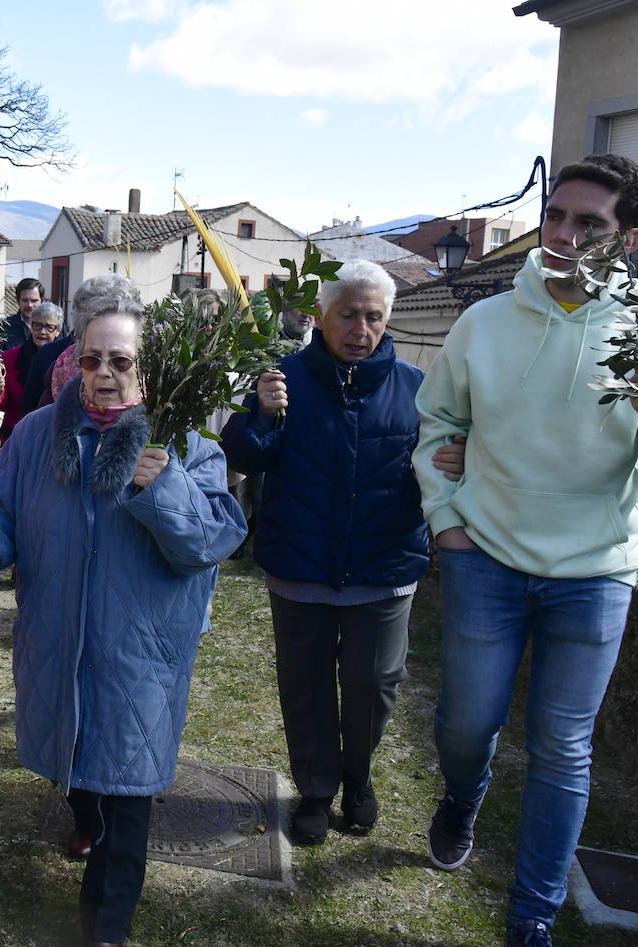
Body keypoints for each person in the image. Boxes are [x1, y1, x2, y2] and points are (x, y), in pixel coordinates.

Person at [413, 154, 638, 947]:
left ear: (631, 240)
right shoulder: (484, 321)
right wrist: (447, 520)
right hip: (484, 556)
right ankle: (462, 795)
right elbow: (438, 426)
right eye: (556, 216)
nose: (562, 234)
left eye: (589, 224)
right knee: (465, 722)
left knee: (562, 747)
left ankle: (532, 914)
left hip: (595, 574)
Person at [0, 275, 246, 947]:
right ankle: (83, 816)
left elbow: (212, 538)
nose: (104, 374)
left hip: (141, 650)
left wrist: (161, 482)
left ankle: (103, 927)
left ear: (146, 366)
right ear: (73, 361)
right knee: (81, 763)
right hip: (58, 636)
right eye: (91, 359)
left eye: (121, 361)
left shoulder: (183, 440)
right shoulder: (33, 437)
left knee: (128, 786)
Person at [220, 261, 431, 846]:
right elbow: (244, 456)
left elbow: (443, 465)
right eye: (348, 315)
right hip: (301, 566)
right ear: (322, 316)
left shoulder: (418, 390)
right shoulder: (281, 380)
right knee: (306, 684)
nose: (360, 328)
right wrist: (260, 415)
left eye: (373, 317)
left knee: (375, 684)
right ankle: (316, 789)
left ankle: (357, 776)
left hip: (384, 568)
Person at [0, 301, 62, 442]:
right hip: (15, 435)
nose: (42, 332)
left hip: (53, 436)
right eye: (37, 325)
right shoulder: (10, 358)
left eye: (49, 327)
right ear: (31, 327)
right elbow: (1, 405)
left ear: (58, 331)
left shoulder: (65, 360)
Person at [0, 276, 44, 352]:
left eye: (34, 301)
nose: (29, 305)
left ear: (41, 301)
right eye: (25, 300)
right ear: (18, 301)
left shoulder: (54, 326)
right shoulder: (5, 327)